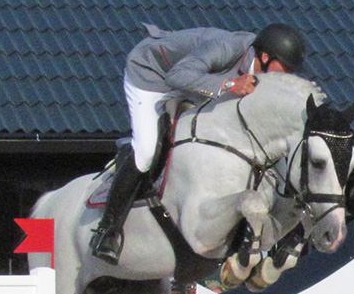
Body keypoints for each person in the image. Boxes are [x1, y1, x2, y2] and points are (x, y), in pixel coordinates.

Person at [90, 22, 309, 262]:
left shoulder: (263, 73)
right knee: (147, 151)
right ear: (265, 57)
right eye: (287, 68)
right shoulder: (228, 47)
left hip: (192, 84)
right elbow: (177, 76)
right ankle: (108, 229)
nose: (289, 75)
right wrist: (230, 85)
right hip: (153, 76)